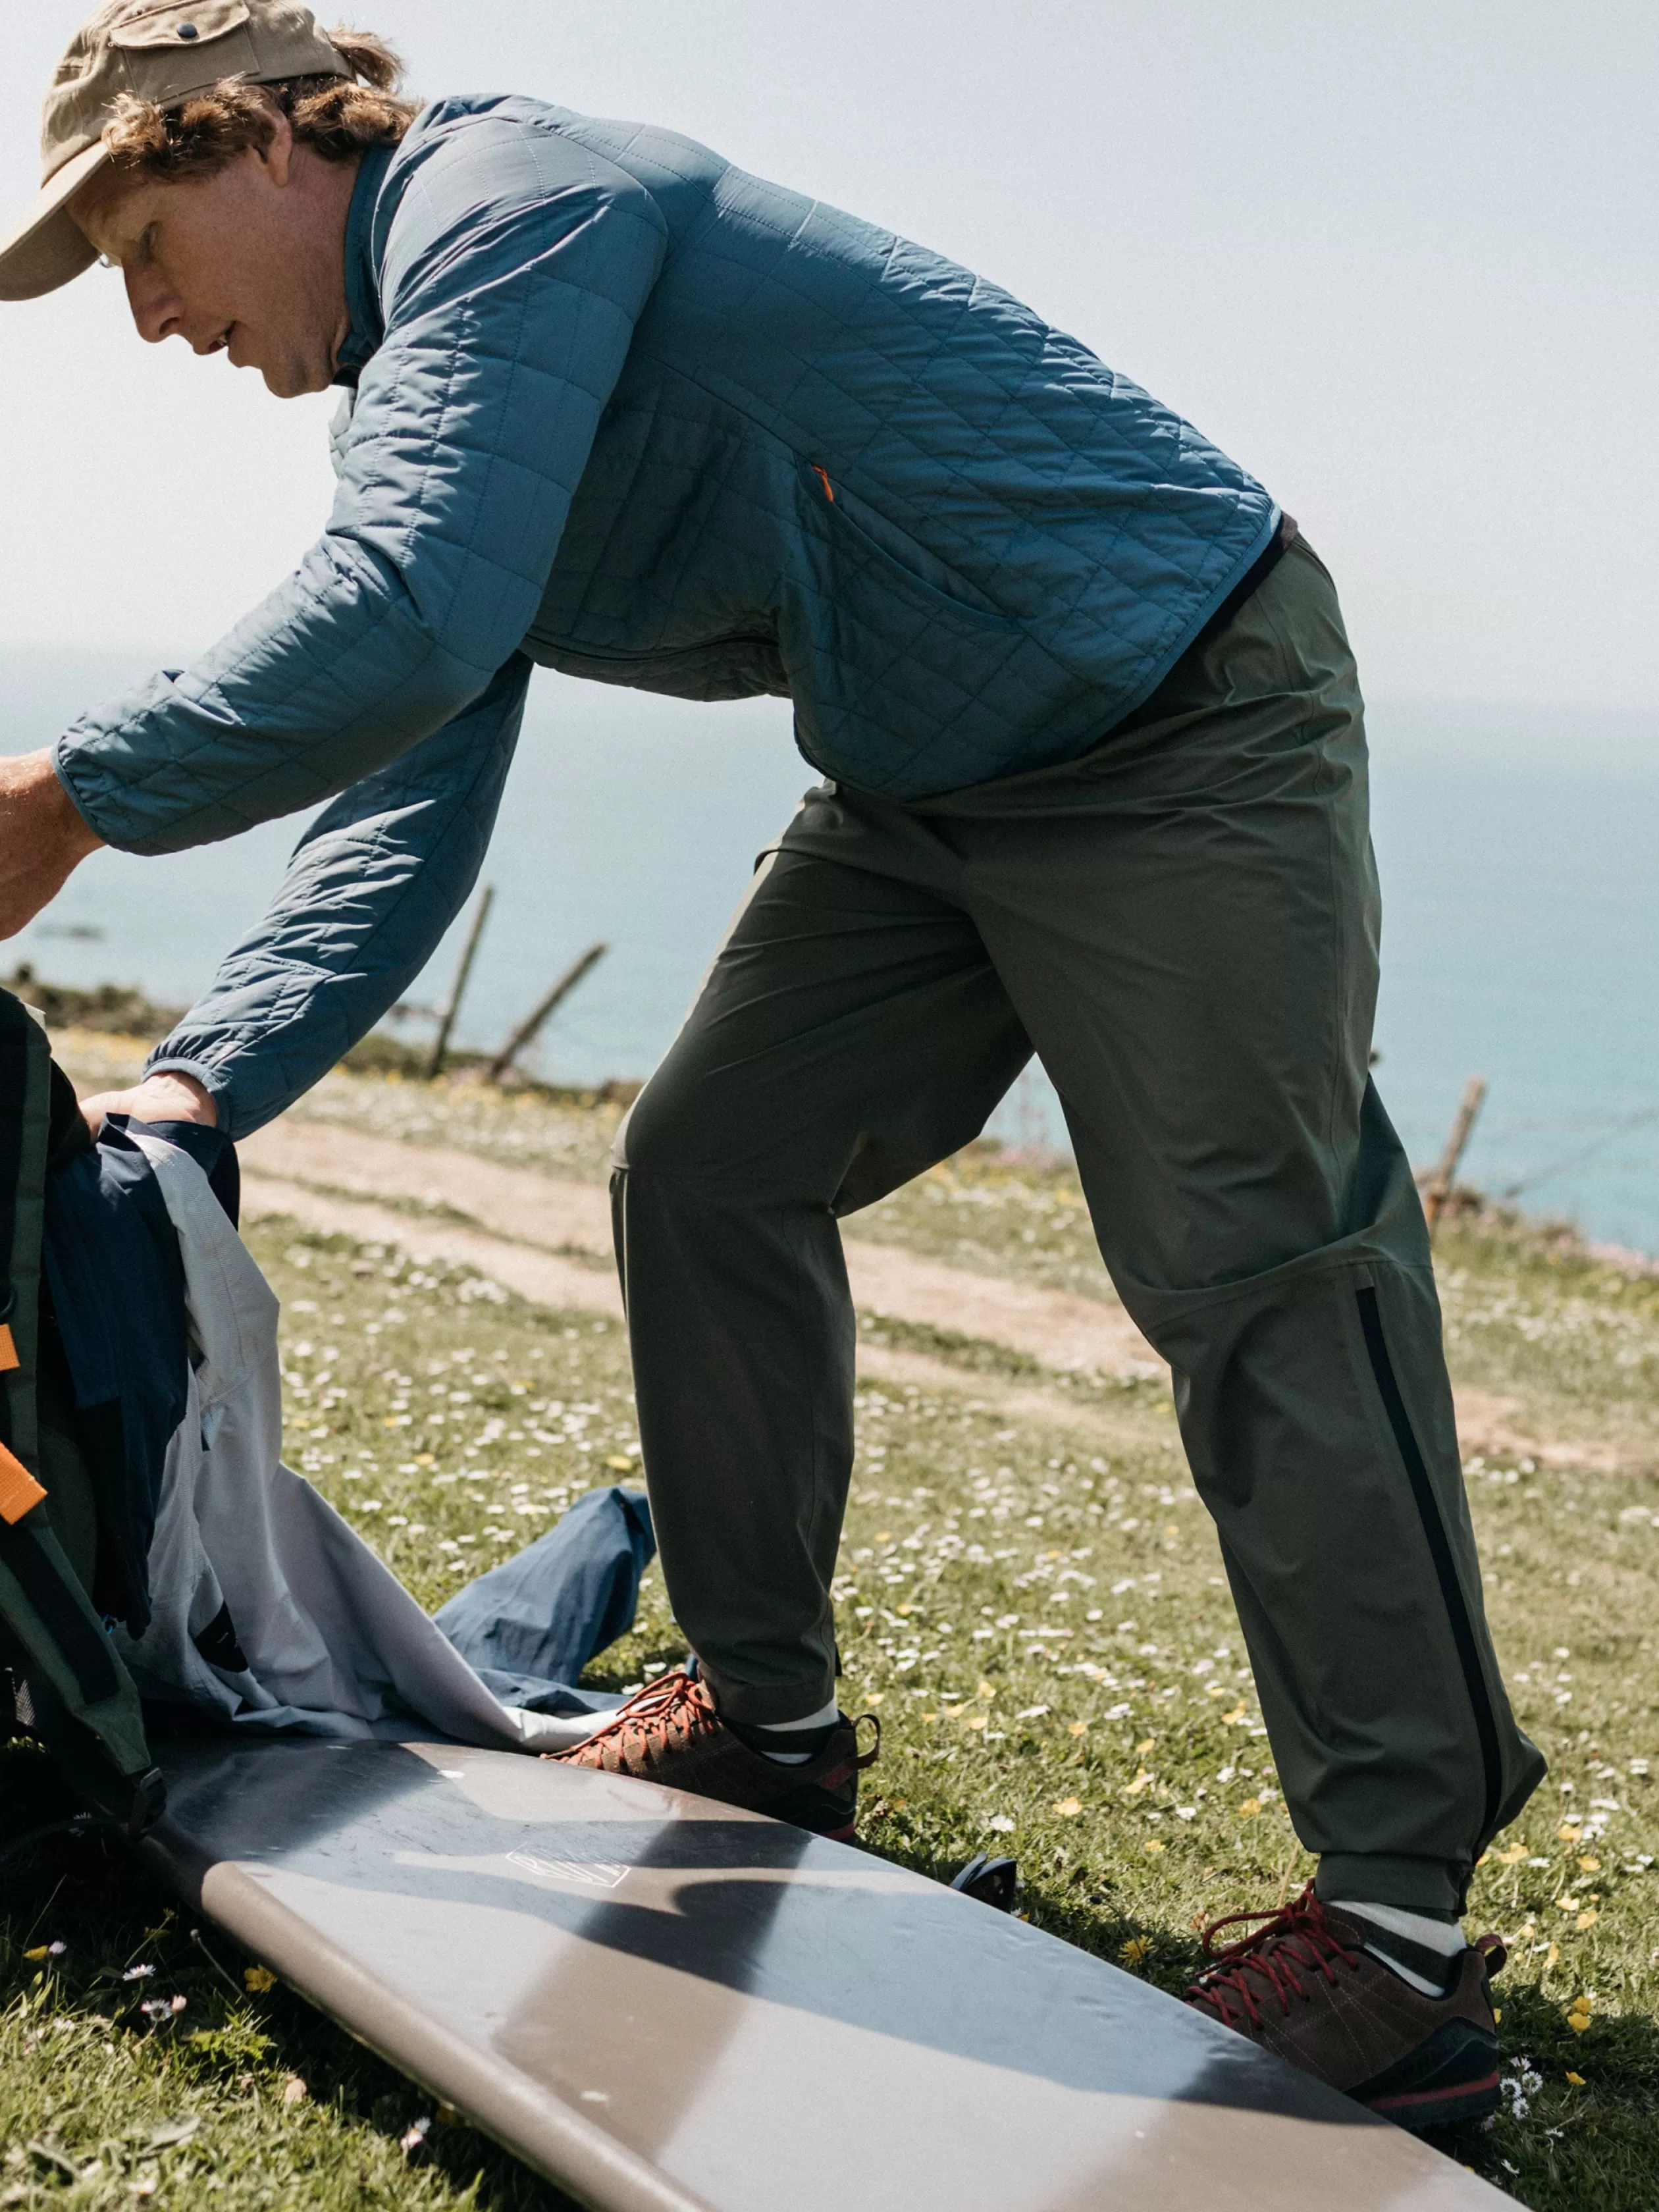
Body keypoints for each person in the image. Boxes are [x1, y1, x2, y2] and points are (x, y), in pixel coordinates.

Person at [0, 1, 1542, 2125]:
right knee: (707, 1162)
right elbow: (408, 761)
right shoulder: (428, 389)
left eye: (140, 242)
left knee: (1256, 1265)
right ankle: (769, 1721)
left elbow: (415, 609)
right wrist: (198, 1087)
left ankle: (1400, 1934)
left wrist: (68, 800)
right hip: (923, 771)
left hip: (1175, 706)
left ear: (258, 138)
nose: (146, 317)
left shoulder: (513, 207)